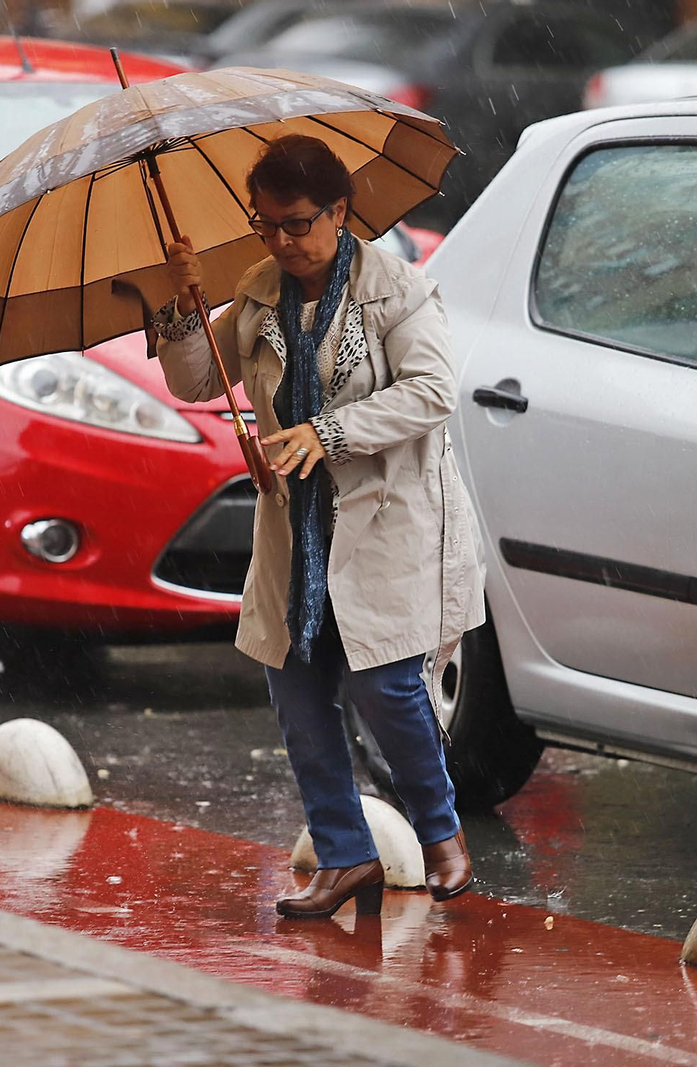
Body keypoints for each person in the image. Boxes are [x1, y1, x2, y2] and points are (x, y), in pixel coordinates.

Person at [151, 134, 485, 920]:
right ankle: (344, 857)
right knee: (295, 690)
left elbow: (435, 391)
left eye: (297, 223)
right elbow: (198, 378)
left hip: (388, 522)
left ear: (340, 212)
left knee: (383, 685)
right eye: (265, 224)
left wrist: (326, 433)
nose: (280, 241)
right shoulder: (261, 290)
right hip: (296, 534)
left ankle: (441, 834)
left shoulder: (397, 289)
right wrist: (180, 304)